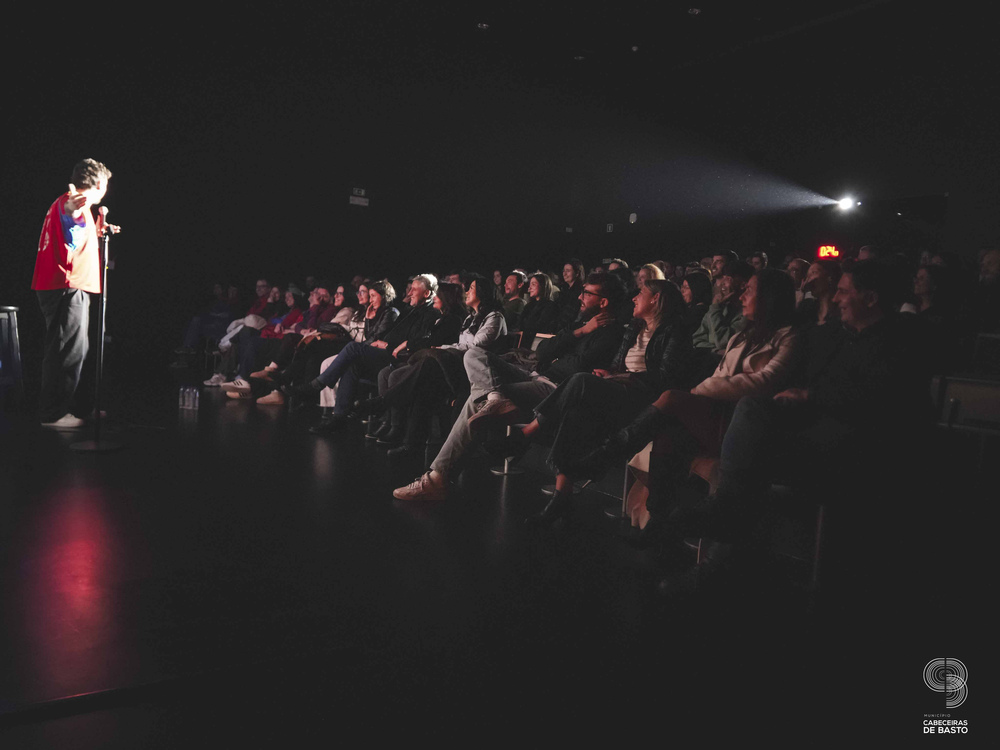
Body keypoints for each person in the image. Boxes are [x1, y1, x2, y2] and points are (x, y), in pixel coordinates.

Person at [391, 272, 626, 501]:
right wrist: (582, 331)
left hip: (555, 389)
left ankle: (436, 478)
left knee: (476, 401)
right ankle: (494, 398)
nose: (579, 297)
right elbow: (542, 351)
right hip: (534, 374)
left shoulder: (611, 333)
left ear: (603, 301)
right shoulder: (581, 324)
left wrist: (567, 345)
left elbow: (577, 366)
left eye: (586, 293)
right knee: (474, 355)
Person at [32, 158, 117, 428]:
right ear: (100, 184)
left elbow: (76, 233)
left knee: (79, 349)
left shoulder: (81, 207)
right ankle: (53, 414)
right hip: (65, 284)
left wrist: (101, 230)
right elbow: (71, 220)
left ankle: (79, 408)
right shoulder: (72, 202)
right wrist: (72, 211)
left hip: (69, 285)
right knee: (66, 351)